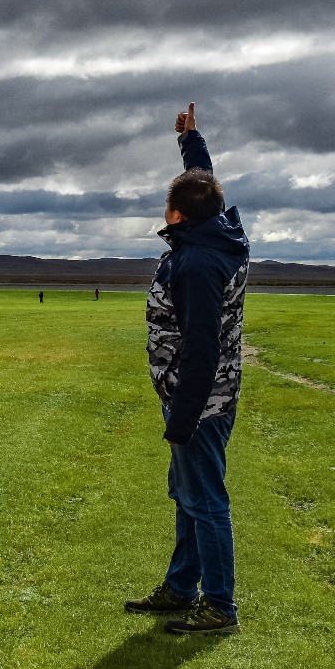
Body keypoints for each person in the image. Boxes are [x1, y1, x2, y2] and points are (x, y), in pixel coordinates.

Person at [124, 102, 249, 635]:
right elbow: (207, 187)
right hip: (203, 397)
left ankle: (219, 606)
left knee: (206, 500)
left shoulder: (196, 263)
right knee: (190, 497)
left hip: (199, 401)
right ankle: (182, 586)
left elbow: (201, 350)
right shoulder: (215, 233)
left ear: (177, 214)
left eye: (169, 201)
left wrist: (181, 418)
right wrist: (191, 142)